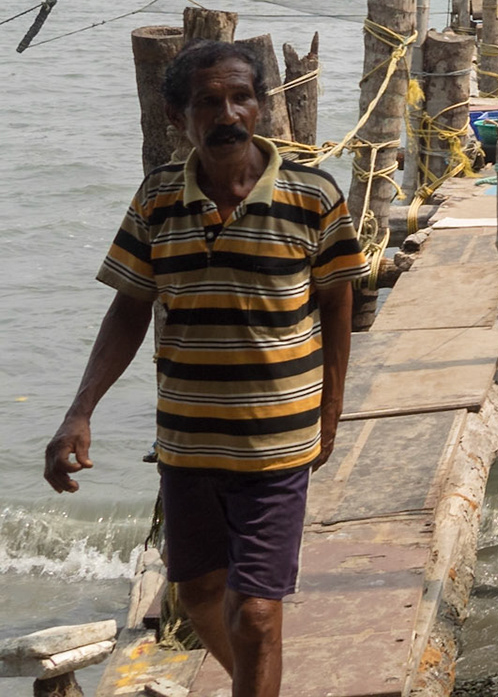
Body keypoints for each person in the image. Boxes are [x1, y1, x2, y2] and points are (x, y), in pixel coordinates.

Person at [43, 40, 369, 697]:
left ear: (263, 106)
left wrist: (331, 414)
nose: (227, 114)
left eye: (240, 97)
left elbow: (339, 305)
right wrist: (79, 410)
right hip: (188, 444)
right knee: (198, 597)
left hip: (276, 443)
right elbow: (130, 307)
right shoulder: (160, 199)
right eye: (208, 102)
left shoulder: (313, 198)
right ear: (176, 117)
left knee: (255, 612)